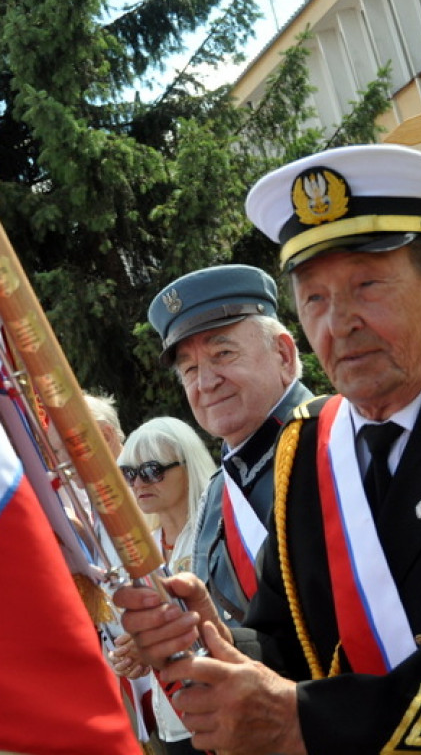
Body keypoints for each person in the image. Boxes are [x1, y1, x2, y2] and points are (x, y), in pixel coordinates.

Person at [116, 144, 421, 754]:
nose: (339, 322)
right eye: (315, 298)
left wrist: (310, 722)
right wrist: (213, 636)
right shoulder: (311, 445)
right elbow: (286, 642)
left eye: (367, 285)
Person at [145, 264, 312, 627]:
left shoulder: (336, 444)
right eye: (189, 369)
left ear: (283, 355)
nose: (205, 382)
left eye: (222, 354)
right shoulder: (220, 489)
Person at [112, 416, 216, 755]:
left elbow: (231, 627)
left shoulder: (216, 534)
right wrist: (131, 654)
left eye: (153, 469)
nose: (139, 482)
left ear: (188, 466)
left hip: (222, 709)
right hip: (172, 721)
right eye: (129, 473)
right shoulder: (141, 550)